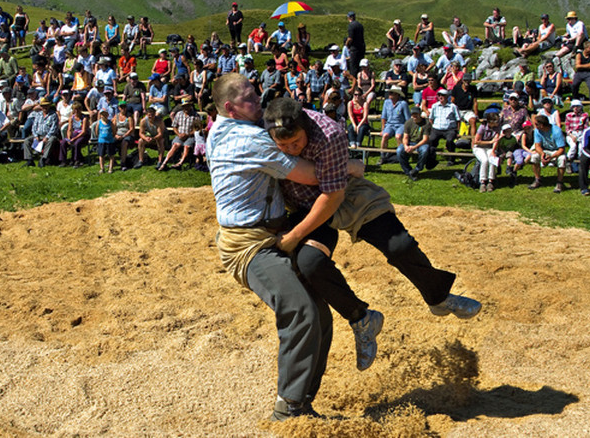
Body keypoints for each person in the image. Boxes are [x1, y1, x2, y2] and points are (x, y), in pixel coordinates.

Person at [263, 97, 480, 366]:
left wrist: (295, 235)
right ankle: (362, 319)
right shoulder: (261, 132)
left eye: (295, 142)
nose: (291, 150)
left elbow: (332, 196)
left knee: (399, 245)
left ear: (305, 126)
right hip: (303, 205)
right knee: (311, 263)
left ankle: (438, 296)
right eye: (282, 146)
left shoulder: (329, 133)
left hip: (344, 195)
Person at [206, 73, 333, 421]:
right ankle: (288, 407)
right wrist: (348, 165)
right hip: (248, 244)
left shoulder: (225, 128)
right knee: (300, 309)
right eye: (250, 98)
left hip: (269, 235)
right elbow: (311, 175)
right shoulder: (248, 139)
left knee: (319, 314)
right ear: (231, 108)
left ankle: (301, 401)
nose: (258, 100)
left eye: (256, 92)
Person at [529, 114, 568, 192]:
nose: (535, 126)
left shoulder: (557, 131)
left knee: (562, 159)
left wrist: (552, 157)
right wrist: (542, 154)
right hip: (544, 150)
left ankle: (559, 182)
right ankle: (537, 179)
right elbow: (537, 146)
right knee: (534, 157)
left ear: (542, 125)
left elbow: (561, 149)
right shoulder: (537, 131)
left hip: (556, 151)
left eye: (536, 124)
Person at [471, 113, 503, 192]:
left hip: (490, 148)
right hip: (479, 147)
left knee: (491, 159)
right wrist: (490, 142)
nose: (497, 123)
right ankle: (482, 181)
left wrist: (493, 151)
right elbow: (476, 141)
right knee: (484, 160)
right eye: (496, 121)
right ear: (490, 122)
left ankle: (491, 180)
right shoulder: (482, 127)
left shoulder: (497, 128)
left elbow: (496, 140)